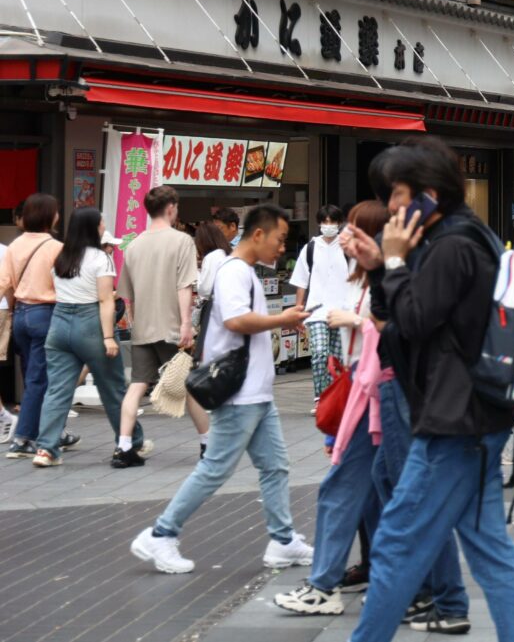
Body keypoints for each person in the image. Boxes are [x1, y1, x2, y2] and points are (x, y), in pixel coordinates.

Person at [342, 137, 514, 641]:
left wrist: (394, 263)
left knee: (397, 544)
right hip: (473, 418)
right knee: (490, 549)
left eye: (397, 194)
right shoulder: (459, 238)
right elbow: (399, 322)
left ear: (428, 194)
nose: (390, 208)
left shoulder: (452, 246)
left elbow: (413, 321)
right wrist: (385, 266)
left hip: (455, 423)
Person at [130, 204, 313, 573]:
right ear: (257, 235)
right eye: (279, 240)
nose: (282, 248)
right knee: (215, 468)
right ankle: (161, 534)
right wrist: (283, 318)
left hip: (256, 393)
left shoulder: (241, 271)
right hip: (241, 394)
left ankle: (282, 541)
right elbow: (235, 320)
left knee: (275, 467)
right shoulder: (235, 272)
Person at [276, 201, 394, 619]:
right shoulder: (359, 278)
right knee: (376, 489)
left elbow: (396, 331)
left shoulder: (383, 280)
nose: (340, 233)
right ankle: (388, 573)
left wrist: (355, 322)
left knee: (343, 487)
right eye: (340, 227)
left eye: (352, 229)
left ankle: (324, 584)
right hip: (363, 392)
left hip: (375, 395)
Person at [31, 208, 142, 467]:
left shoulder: (61, 255)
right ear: (93, 227)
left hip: (59, 323)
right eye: (102, 222)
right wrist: (108, 338)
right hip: (90, 321)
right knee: (112, 388)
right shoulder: (100, 259)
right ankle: (131, 441)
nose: (104, 226)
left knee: (57, 390)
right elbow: (105, 299)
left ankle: (45, 449)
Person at [116, 186, 209, 466]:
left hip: (143, 328)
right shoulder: (181, 241)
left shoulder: (133, 245)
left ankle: (123, 448)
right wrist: (185, 324)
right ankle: (208, 445)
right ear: (171, 208)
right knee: (190, 387)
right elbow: (184, 287)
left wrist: (134, 322)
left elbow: (126, 294)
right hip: (170, 327)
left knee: (136, 386)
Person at [0, 193, 63, 460]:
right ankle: (23, 438)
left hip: (22, 313)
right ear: (49, 216)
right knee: (40, 378)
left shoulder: (14, 245)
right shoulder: (55, 248)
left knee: (32, 375)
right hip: (45, 313)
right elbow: (63, 286)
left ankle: (51, 432)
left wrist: (13, 312)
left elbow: (5, 283)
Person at [288, 205, 353, 402]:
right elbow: (301, 282)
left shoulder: (347, 248)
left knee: (338, 358)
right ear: (318, 223)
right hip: (316, 311)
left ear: (339, 223)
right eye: (324, 221)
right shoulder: (310, 248)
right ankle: (321, 397)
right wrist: (299, 312)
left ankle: (336, 398)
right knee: (319, 353)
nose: (328, 225)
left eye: (332, 221)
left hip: (342, 311)